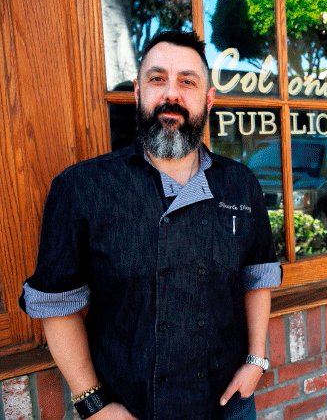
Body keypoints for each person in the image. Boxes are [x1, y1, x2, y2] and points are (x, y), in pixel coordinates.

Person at [19, 30, 281, 420]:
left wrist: (256, 360)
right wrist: (93, 404)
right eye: (157, 79)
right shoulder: (81, 187)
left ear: (208, 101)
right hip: (130, 410)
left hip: (228, 406)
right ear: (138, 95)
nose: (171, 94)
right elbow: (57, 306)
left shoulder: (241, 182)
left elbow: (256, 277)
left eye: (187, 82)